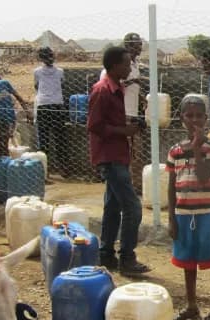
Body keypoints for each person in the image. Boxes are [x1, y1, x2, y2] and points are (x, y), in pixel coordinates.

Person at [168, 95, 210, 320]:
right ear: (181, 118)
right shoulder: (174, 151)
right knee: (188, 260)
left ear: (206, 119)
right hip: (184, 213)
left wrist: (196, 148)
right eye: (189, 115)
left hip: (206, 213)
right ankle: (192, 305)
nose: (194, 120)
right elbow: (171, 185)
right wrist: (171, 218)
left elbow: (204, 175)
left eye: (199, 116)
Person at [88, 46, 150, 277]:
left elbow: (108, 121)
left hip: (118, 154)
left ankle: (106, 254)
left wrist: (131, 126)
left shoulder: (117, 89)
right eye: (125, 64)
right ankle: (127, 257)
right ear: (114, 66)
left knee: (112, 207)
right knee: (132, 206)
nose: (128, 67)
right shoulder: (102, 90)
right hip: (110, 156)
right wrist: (124, 130)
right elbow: (94, 125)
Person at [0, 64, 28, 157]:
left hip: (10, 118)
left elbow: (18, 96)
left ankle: (7, 162)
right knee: (1, 144)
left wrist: (27, 111)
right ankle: (4, 163)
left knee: (6, 142)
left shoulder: (5, 84)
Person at [34, 47, 65, 173]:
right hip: (56, 105)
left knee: (44, 139)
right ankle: (63, 168)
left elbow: (36, 86)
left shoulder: (37, 72)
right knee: (60, 137)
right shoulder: (60, 72)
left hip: (43, 105)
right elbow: (62, 85)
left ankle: (44, 170)